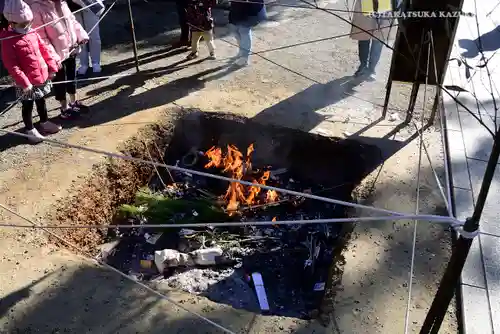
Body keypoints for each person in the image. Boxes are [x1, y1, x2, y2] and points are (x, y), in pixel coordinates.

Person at [1, 0, 62, 143]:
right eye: (23, 24)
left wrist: (52, 68)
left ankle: (44, 122)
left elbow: (44, 50)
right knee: (27, 105)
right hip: (25, 83)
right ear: (12, 22)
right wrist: (24, 83)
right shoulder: (8, 41)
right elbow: (12, 66)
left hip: (40, 76)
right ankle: (30, 130)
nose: (27, 26)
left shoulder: (32, 32)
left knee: (41, 101)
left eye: (29, 22)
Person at [25, 0, 89, 119]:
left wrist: (81, 35)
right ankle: (64, 108)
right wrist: (52, 57)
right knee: (60, 81)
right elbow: (41, 37)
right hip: (56, 55)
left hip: (71, 48)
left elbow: (72, 20)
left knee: (71, 76)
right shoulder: (36, 7)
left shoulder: (62, 3)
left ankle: (73, 101)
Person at [349, 0, 394, 77]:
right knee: (363, 35)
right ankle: (363, 66)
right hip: (366, 2)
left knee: (379, 37)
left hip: (384, 3)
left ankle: (371, 69)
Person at [66, 0, 105, 75]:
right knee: (79, 36)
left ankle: (96, 62)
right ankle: (83, 64)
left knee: (94, 35)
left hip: (90, 4)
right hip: (73, 7)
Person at [228, 0, 266, 67]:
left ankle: (245, 58)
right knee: (235, 31)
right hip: (236, 8)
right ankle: (242, 50)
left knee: (244, 32)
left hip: (248, 10)